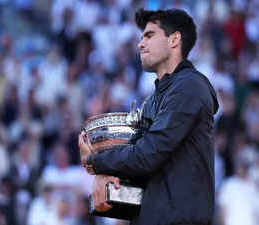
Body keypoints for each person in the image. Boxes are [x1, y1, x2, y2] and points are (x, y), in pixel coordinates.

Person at [78, 8, 219, 225]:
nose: (140, 44)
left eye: (149, 35)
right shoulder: (151, 101)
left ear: (174, 39)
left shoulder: (190, 87)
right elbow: (136, 165)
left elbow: (148, 153)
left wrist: (95, 163)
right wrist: (104, 179)